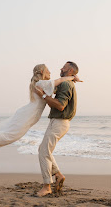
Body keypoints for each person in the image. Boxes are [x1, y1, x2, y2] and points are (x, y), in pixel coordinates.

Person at [0, 64, 82, 152]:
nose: (50, 72)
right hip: (29, 114)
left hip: (28, 113)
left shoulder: (42, 84)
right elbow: (60, 81)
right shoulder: (41, 84)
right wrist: (72, 77)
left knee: (8, 131)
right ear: (42, 72)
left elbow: (58, 86)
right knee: (11, 135)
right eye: (48, 71)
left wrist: (71, 79)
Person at [34, 61, 79, 197]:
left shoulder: (65, 84)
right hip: (57, 121)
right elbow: (54, 104)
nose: (61, 68)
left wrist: (43, 95)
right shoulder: (65, 83)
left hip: (60, 122)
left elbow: (60, 106)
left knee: (44, 152)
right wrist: (46, 96)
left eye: (64, 67)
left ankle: (47, 186)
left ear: (70, 70)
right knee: (43, 149)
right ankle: (58, 175)